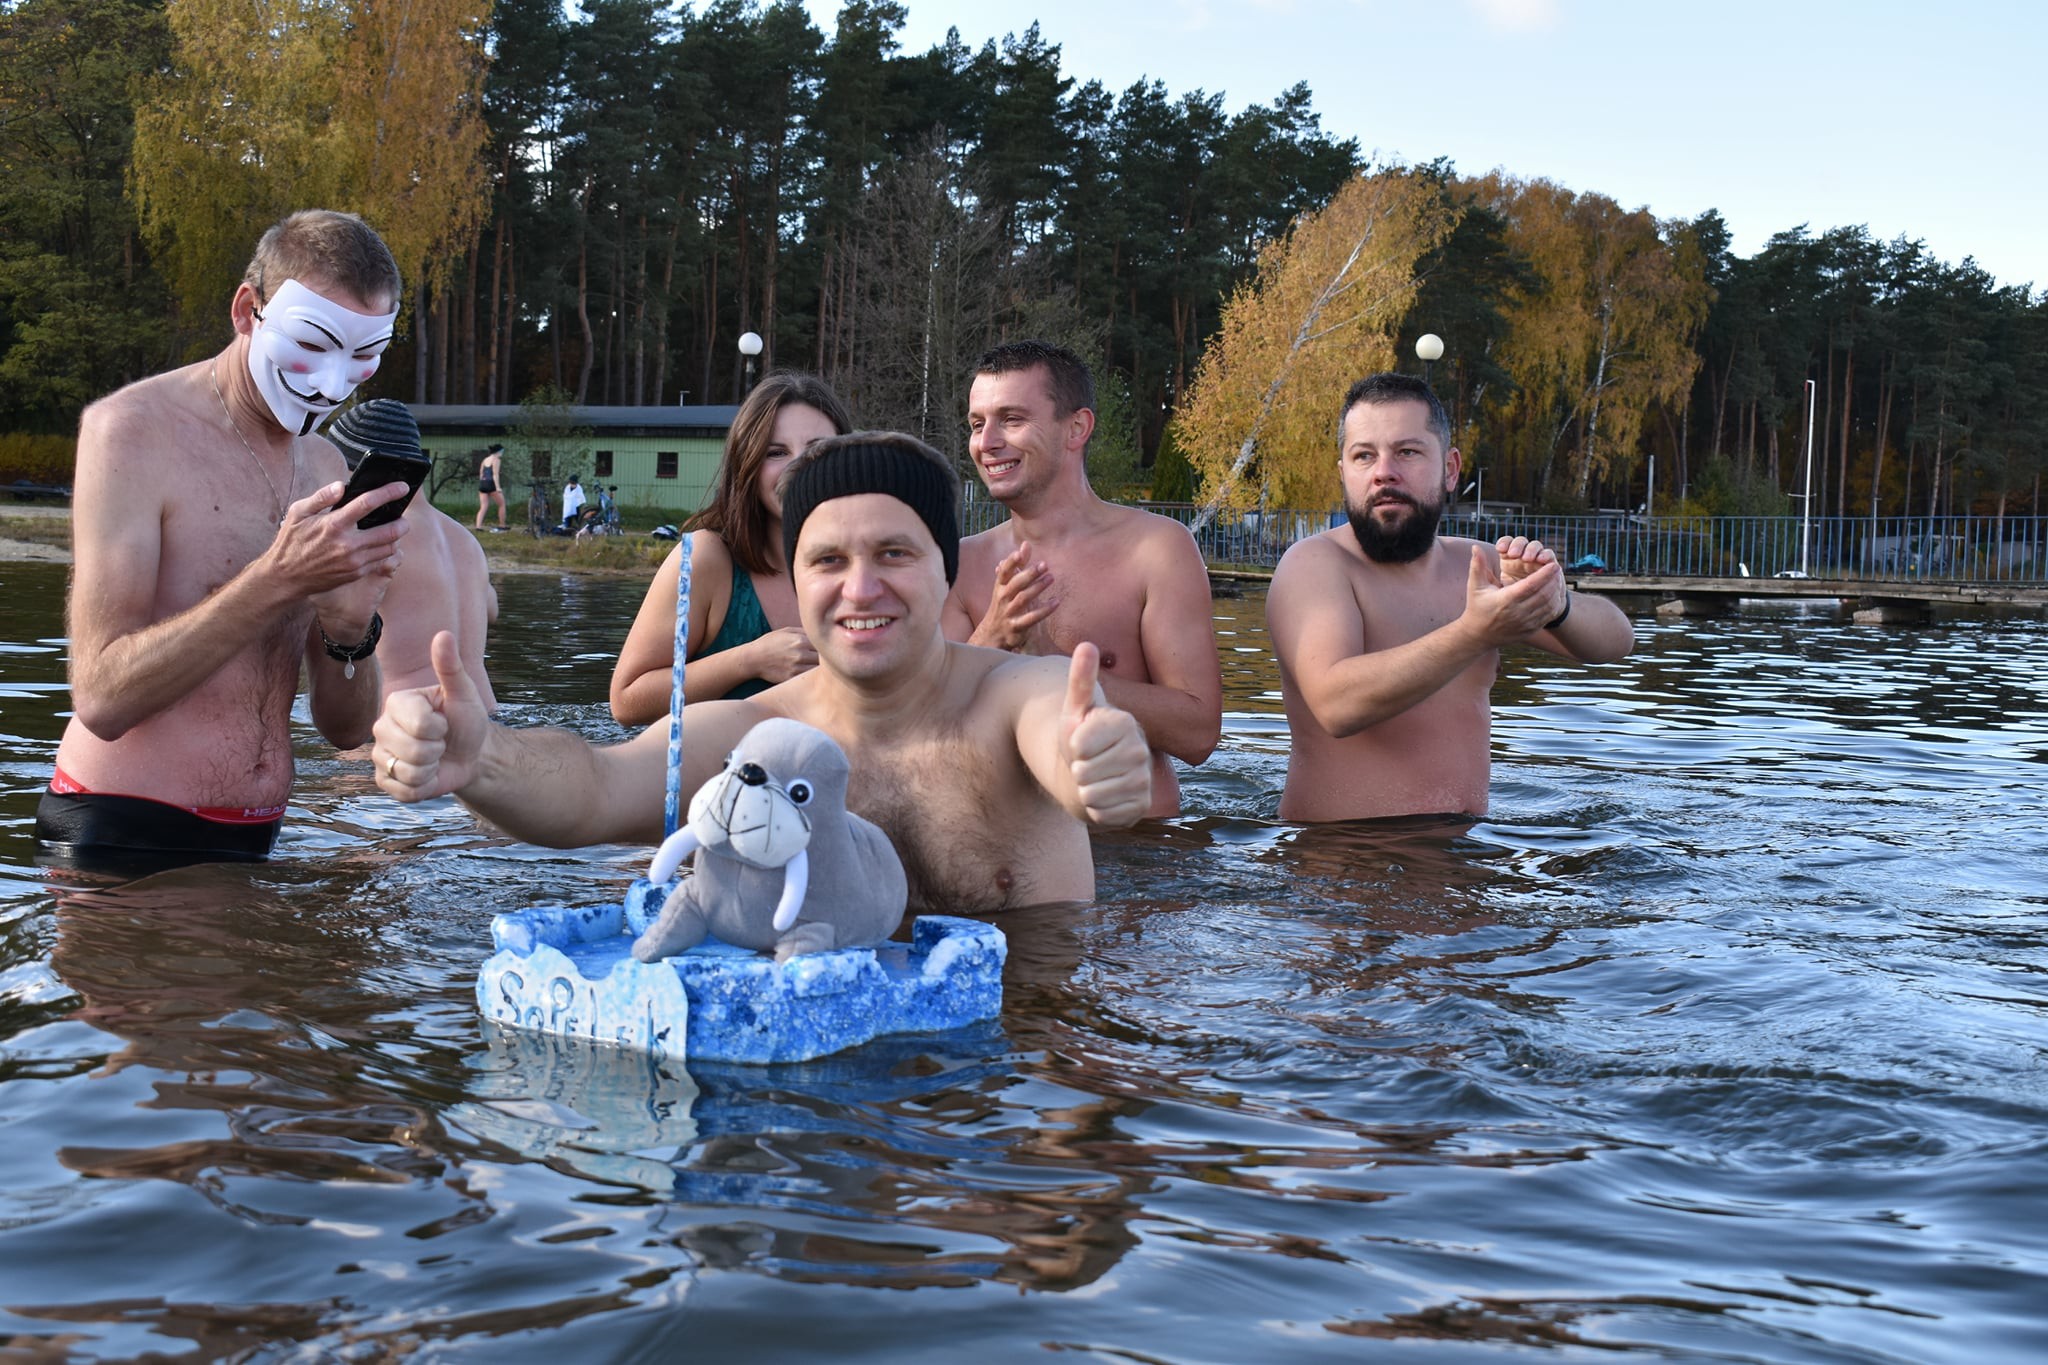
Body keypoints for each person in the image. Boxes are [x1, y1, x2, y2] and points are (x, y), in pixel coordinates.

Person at [376, 432, 1154, 913]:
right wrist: (481, 759)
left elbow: (1064, 728)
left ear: (945, 571)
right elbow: (596, 789)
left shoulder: (1013, 697)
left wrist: (1096, 764)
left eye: (894, 553)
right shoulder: (753, 735)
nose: (859, 588)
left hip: (1009, 1078)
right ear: (799, 579)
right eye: (828, 561)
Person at [37, 208, 414, 868]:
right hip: (123, 827)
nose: (332, 383)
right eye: (314, 343)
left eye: (363, 357)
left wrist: (350, 631)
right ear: (248, 310)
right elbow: (100, 696)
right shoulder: (131, 431)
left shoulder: (325, 466)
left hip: (253, 836)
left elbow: (347, 728)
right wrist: (277, 580)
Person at [1268, 372, 1635, 822]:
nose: (1384, 471)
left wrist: (1556, 603)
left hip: (1464, 860)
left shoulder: (1475, 566)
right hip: (1343, 861)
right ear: (1344, 473)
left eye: (1407, 451)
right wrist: (1473, 633)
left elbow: (1617, 642)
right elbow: (1335, 706)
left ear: (1449, 469)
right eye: (1364, 455)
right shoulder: (1314, 566)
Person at [945, 340, 1221, 819]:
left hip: (1140, 852)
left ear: (1076, 428)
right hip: (1010, 849)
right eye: (976, 424)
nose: (986, 442)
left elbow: (1198, 733)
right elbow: (927, 732)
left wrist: (1050, 667)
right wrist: (993, 638)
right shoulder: (959, 563)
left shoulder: (1156, 549)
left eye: (1011, 419)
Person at [609, 373, 850, 723]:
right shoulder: (705, 559)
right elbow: (627, 701)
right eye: (776, 452)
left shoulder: (871, 571)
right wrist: (749, 659)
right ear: (747, 465)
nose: (798, 467)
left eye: (817, 449)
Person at [328, 400, 498, 711]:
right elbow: (491, 610)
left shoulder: (371, 538)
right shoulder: (464, 539)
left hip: (408, 727)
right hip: (482, 720)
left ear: (357, 471)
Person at [475, 443, 506, 530]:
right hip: (491, 484)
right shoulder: (496, 460)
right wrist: (498, 487)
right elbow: (495, 474)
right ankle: (502, 525)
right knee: (502, 504)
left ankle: (478, 526)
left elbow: (481, 473)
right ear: (498, 452)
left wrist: (482, 483)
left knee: (483, 506)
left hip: (483, 484)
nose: (502, 453)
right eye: (502, 451)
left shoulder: (485, 460)